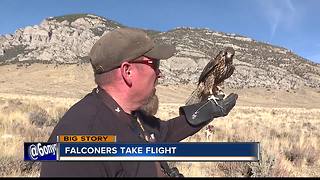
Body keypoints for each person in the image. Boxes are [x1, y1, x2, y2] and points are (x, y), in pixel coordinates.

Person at [40, 28, 238, 177]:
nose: (160, 73)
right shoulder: (80, 137)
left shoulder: (134, 117)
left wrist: (207, 110)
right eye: (155, 64)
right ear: (128, 72)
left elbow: (165, 132)